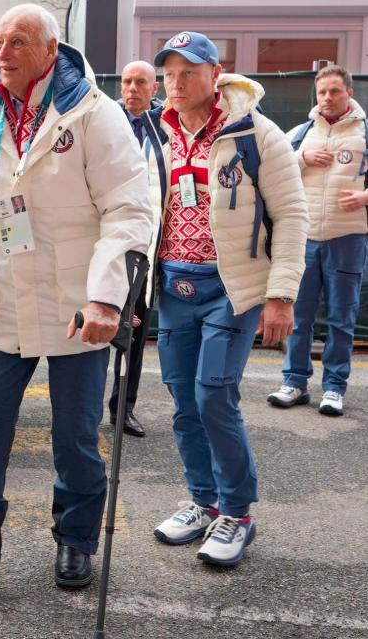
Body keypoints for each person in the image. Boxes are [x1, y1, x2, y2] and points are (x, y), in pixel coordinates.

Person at [0, 4, 151, 592]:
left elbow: (128, 209)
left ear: (50, 51)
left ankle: (75, 541)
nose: (3, 52)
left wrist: (106, 299)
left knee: (74, 435)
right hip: (1, 300)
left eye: (18, 42)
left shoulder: (94, 114)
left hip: (77, 306)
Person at [147, 32, 308, 566]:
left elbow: (291, 217)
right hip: (174, 285)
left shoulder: (257, 134)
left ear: (217, 73)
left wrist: (281, 295)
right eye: (169, 73)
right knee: (182, 400)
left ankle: (237, 512)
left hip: (233, 289)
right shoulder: (158, 132)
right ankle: (203, 500)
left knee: (214, 394)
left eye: (188, 72)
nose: (176, 83)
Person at [267, 65, 368, 417]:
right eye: (322, 92)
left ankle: (334, 388)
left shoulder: (364, 134)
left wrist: (364, 198)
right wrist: (302, 158)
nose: (327, 98)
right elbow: (272, 170)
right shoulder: (300, 133)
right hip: (304, 238)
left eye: (335, 91)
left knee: (342, 318)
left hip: (348, 238)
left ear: (349, 94)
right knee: (298, 315)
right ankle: (294, 382)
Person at [107, 60, 164, 438]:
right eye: (127, 81)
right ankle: (78, 409)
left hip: (147, 246)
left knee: (134, 334)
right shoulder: (106, 122)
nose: (132, 88)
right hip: (105, 242)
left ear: (154, 88)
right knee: (95, 328)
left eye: (140, 82)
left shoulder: (166, 129)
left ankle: (122, 408)